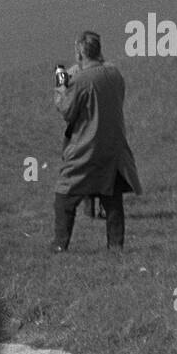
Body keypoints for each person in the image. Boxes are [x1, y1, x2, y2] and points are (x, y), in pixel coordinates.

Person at [51, 31, 141, 253]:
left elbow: (67, 111)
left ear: (80, 52)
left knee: (65, 195)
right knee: (112, 198)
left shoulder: (80, 81)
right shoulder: (114, 73)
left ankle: (60, 245)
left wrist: (61, 88)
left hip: (86, 147)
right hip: (113, 146)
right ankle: (116, 246)